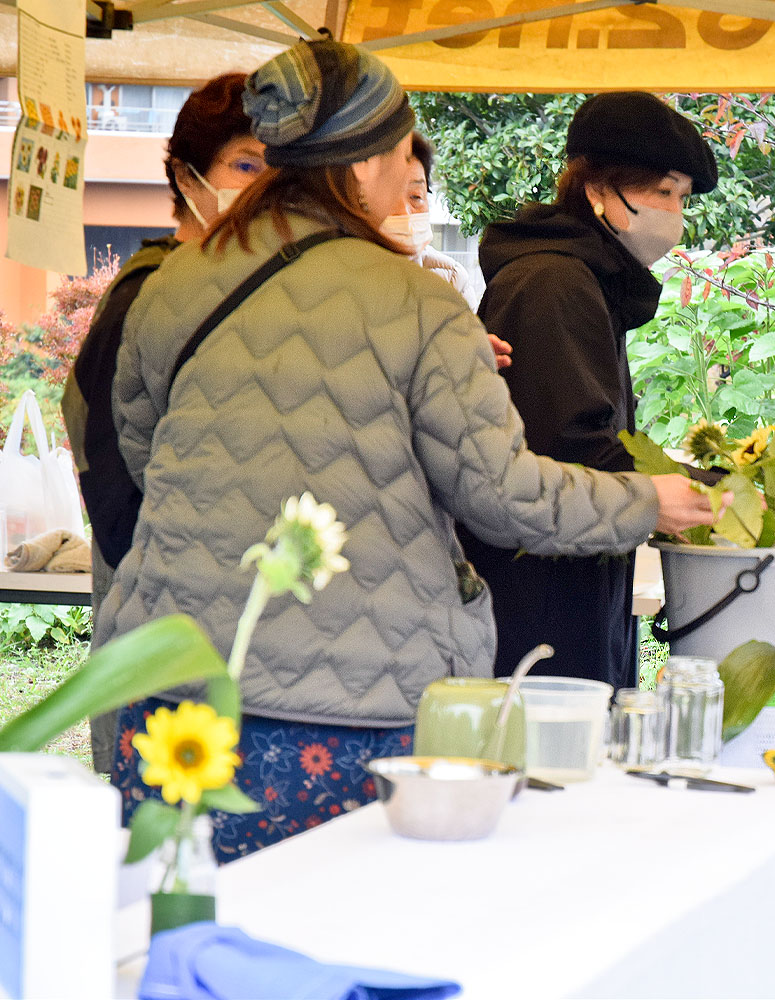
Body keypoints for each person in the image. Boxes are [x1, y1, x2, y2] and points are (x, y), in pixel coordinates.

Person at [97, 40, 720, 861]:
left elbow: (142, 456)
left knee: (194, 942)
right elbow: (500, 492)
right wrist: (650, 499)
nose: (406, 174)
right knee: (342, 944)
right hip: (349, 704)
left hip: (175, 692)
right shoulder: (419, 303)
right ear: (359, 165)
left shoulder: (174, 282)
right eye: (400, 151)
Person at [460, 91, 719, 689]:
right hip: (539, 598)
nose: (675, 215)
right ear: (598, 191)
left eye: (681, 198)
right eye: (662, 192)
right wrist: (711, 490)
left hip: (570, 574)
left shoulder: (583, 278)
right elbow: (571, 447)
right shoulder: (555, 281)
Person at [61, 72, 265, 773]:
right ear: (185, 175)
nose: (262, 188)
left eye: (278, 171)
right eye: (245, 165)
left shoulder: (254, 293)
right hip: (161, 620)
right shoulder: (150, 292)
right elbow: (104, 449)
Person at [382, 131, 486, 310]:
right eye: (388, 194)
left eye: (416, 196)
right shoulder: (334, 277)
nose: (405, 212)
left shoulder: (452, 279)